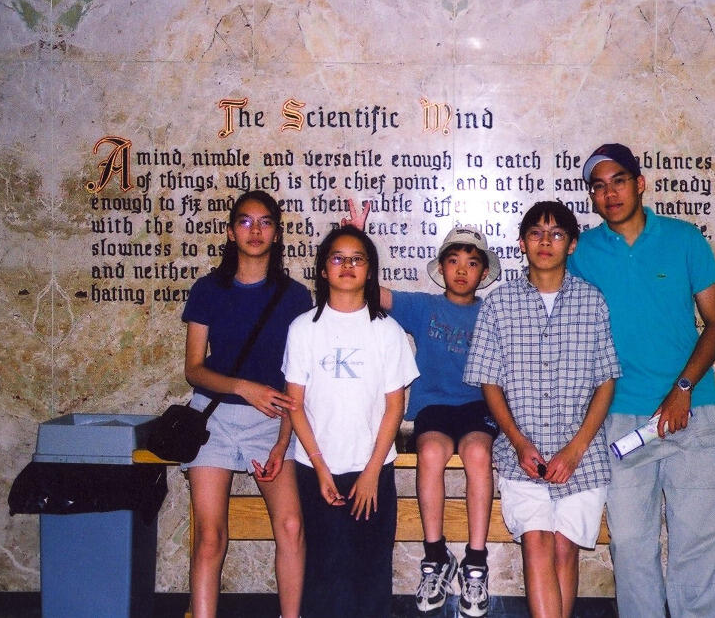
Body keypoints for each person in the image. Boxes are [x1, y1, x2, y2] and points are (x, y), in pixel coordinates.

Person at [568, 142, 715, 618]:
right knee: (632, 548)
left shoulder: (684, 239)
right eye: (598, 187)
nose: (609, 193)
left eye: (618, 180)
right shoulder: (583, 255)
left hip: (691, 412)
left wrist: (682, 390)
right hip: (619, 421)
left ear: (639, 183)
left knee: (698, 544)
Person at [343, 201, 501, 616]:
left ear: (484, 273)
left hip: (477, 407)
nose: (462, 270)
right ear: (441, 268)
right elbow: (368, 291)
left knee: (478, 454)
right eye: (453, 261)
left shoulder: (493, 314)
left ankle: (476, 562)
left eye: (471, 263)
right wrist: (357, 237)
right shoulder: (423, 306)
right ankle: (435, 557)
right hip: (433, 407)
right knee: (429, 452)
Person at [464, 201, 620, 618]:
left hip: (581, 453)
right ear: (521, 243)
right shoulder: (499, 305)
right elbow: (489, 380)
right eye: (536, 233)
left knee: (566, 550)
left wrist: (576, 448)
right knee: (537, 542)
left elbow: (606, 379)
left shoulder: (592, 302)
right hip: (522, 454)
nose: (545, 242)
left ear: (571, 245)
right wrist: (517, 441)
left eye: (556, 234)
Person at [181, 190, 312, 618]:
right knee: (210, 536)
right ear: (231, 231)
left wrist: (282, 441)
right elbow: (195, 369)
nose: (255, 231)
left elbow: (298, 378)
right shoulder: (208, 289)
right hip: (214, 418)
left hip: (273, 420)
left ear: (277, 233)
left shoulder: (295, 296)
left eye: (265, 222)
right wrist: (243, 387)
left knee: (291, 527)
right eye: (245, 221)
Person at [283, 225, 420, 618]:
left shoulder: (386, 331)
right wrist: (321, 468)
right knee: (325, 570)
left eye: (357, 259)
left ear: (369, 271)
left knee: (370, 570)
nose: (347, 265)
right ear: (323, 270)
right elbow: (295, 404)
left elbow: (395, 406)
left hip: (372, 470)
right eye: (337, 258)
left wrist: (372, 471)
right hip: (316, 468)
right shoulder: (303, 328)